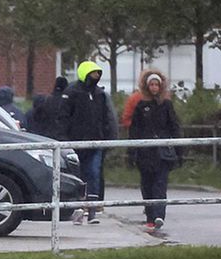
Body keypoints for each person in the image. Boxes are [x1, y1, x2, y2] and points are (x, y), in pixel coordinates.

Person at [57, 61, 117, 223]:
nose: (97, 76)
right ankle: (77, 210)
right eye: (94, 73)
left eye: (98, 73)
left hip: (95, 143)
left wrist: (106, 137)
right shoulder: (71, 92)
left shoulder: (99, 94)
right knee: (78, 177)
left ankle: (91, 212)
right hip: (75, 143)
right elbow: (63, 117)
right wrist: (64, 139)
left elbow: (106, 118)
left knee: (94, 175)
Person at [128, 70, 182, 233]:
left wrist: (179, 151)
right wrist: (132, 153)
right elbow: (134, 131)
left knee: (160, 184)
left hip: (162, 153)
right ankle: (150, 217)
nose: (154, 87)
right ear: (146, 86)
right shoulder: (140, 107)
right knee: (147, 185)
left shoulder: (166, 106)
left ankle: (159, 215)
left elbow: (175, 127)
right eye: (151, 84)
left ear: (160, 86)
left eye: (156, 84)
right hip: (145, 154)